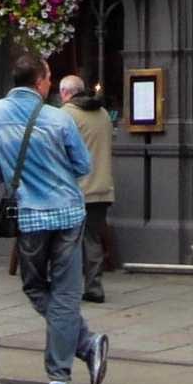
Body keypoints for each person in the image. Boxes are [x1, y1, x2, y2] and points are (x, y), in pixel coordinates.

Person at [0, 51, 108, 384]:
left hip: (29, 215)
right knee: (66, 293)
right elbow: (82, 165)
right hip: (67, 212)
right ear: (38, 82)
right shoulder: (59, 119)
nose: (51, 83)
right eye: (49, 77)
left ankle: (75, 355)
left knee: (35, 285)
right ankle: (65, 367)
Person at [58, 74, 116, 304]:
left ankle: (67, 287)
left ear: (64, 93)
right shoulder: (102, 113)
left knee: (67, 241)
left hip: (74, 189)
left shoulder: (66, 115)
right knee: (92, 239)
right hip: (102, 188)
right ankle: (94, 286)